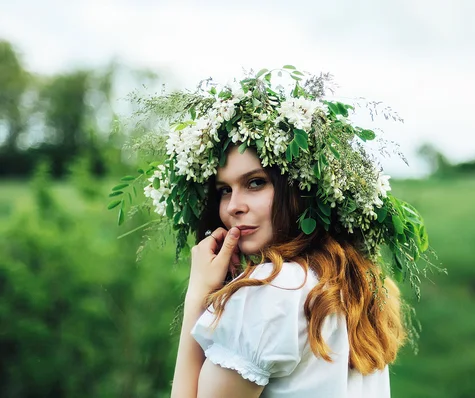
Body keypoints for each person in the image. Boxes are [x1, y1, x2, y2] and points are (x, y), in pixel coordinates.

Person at [130, 67, 431, 397]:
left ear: (298, 190)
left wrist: (197, 294)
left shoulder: (268, 291)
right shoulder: (351, 284)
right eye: (224, 190)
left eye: (255, 183)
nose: (233, 207)